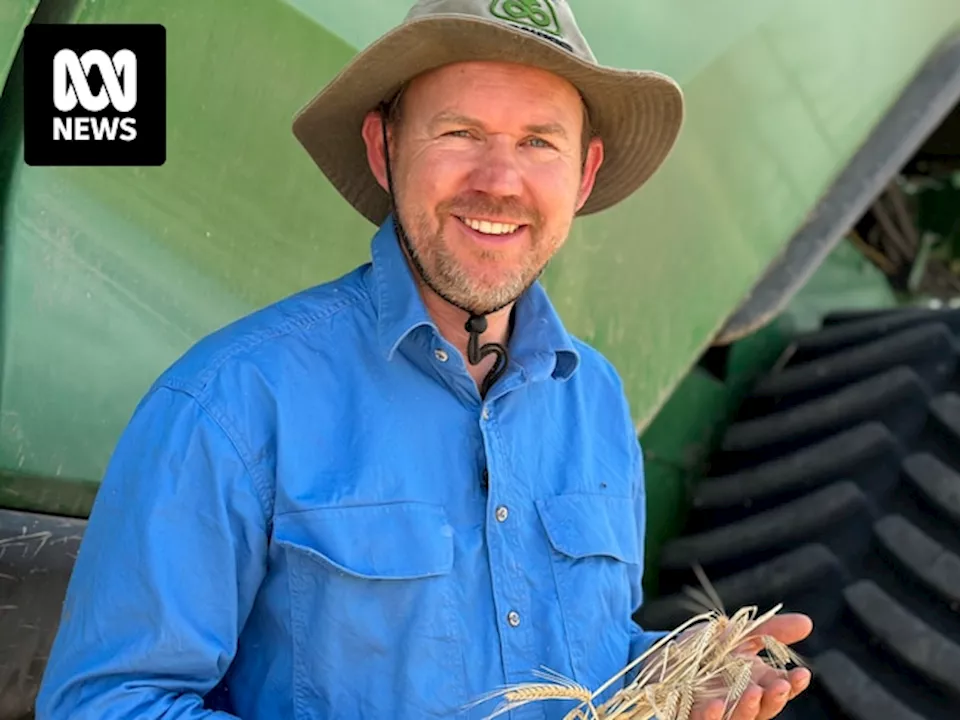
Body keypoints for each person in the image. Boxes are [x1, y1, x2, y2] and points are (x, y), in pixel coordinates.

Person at [35, 0, 813, 718]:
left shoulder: (596, 398)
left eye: (538, 142)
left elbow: (575, 665)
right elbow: (106, 704)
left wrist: (668, 677)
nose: (499, 181)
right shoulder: (234, 398)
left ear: (583, 175)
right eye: (460, 133)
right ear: (385, 149)